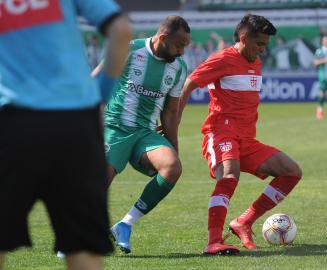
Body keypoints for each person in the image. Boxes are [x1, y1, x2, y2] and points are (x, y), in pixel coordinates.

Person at [0, 0, 132, 269]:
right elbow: (121, 30)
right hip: (75, 124)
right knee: (82, 249)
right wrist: (100, 94)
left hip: (10, 123)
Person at [178, 14, 302, 255]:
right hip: (221, 132)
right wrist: (175, 119)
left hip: (247, 140)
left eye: (266, 45)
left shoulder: (255, 60)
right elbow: (189, 84)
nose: (263, 50)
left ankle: (243, 221)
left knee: (292, 171)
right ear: (244, 38)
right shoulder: (222, 59)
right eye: (259, 44)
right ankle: (213, 241)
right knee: (229, 174)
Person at [103, 16, 190, 254]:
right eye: (179, 45)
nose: (182, 52)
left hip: (144, 134)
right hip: (115, 128)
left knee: (172, 167)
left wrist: (174, 149)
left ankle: (124, 224)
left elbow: (171, 112)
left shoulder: (178, 67)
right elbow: (98, 80)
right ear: (163, 38)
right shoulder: (130, 50)